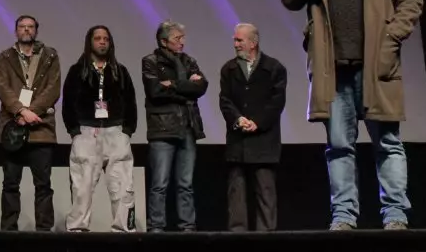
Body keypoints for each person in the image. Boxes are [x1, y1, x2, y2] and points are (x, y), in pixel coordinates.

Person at [280, 0, 423, 231]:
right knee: (339, 147)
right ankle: (344, 216)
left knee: (388, 144)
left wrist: (391, 37)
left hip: (377, 65)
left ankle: (395, 216)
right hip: (333, 70)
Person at [62, 25, 138, 233]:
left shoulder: (119, 71)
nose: (102, 42)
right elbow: (68, 102)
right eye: (98, 38)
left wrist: (127, 130)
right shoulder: (77, 71)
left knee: (123, 188)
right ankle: (77, 232)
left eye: (106, 38)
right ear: (90, 42)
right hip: (86, 133)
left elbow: (130, 100)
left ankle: (124, 232)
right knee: (82, 189)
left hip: (116, 133)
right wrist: (74, 131)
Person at [0, 15, 61, 231]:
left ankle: (44, 231)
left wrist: (32, 112)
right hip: (13, 129)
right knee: (11, 184)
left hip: (41, 129)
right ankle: (9, 231)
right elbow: (3, 88)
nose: (26, 30)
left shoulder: (50, 55)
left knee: (43, 185)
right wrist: (21, 111)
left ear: (36, 31)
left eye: (30, 27)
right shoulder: (5, 57)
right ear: (15, 31)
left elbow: (53, 88)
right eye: (22, 27)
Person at [218, 23, 287, 231]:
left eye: (239, 40)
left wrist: (258, 122)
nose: (235, 43)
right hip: (238, 140)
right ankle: (237, 236)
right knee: (236, 192)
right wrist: (238, 120)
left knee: (265, 192)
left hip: (264, 141)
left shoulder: (274, 68)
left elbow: (277, 102)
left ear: (253, 43)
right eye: (235, 40)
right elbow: (225, 100)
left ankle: (266, 237)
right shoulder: (228, 69)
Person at [141, 20, 208, 232]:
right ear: (163, 41)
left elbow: (201, 87)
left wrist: (173, 84)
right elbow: (155, 91)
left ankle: (187, 227)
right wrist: (186, 85)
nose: (182, 42)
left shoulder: (189, 61)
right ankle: (157, 227)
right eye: (177, 38)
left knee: (185, 184)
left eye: (183, 38)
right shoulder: (150, 61)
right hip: (162, 128)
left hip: (188, 127)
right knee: (160, 183)